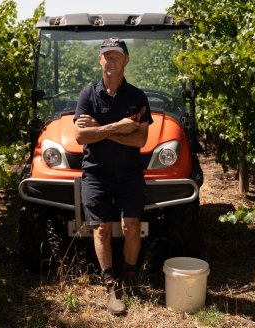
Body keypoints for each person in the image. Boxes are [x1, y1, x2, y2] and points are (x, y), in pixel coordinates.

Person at [73, 37, 153, 315]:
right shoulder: (87, 96)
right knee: (102, 228)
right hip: (96, 173)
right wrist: (120, 127)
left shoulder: (137, 97)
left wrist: (102, 129)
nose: (111, 61)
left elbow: (141, 140)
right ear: (100, 60)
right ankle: (110, 284)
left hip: (130, 172)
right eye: (106, 56)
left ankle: (130, 277)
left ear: (126, 61)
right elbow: (81, 135)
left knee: (131, 226)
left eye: (116, 56)